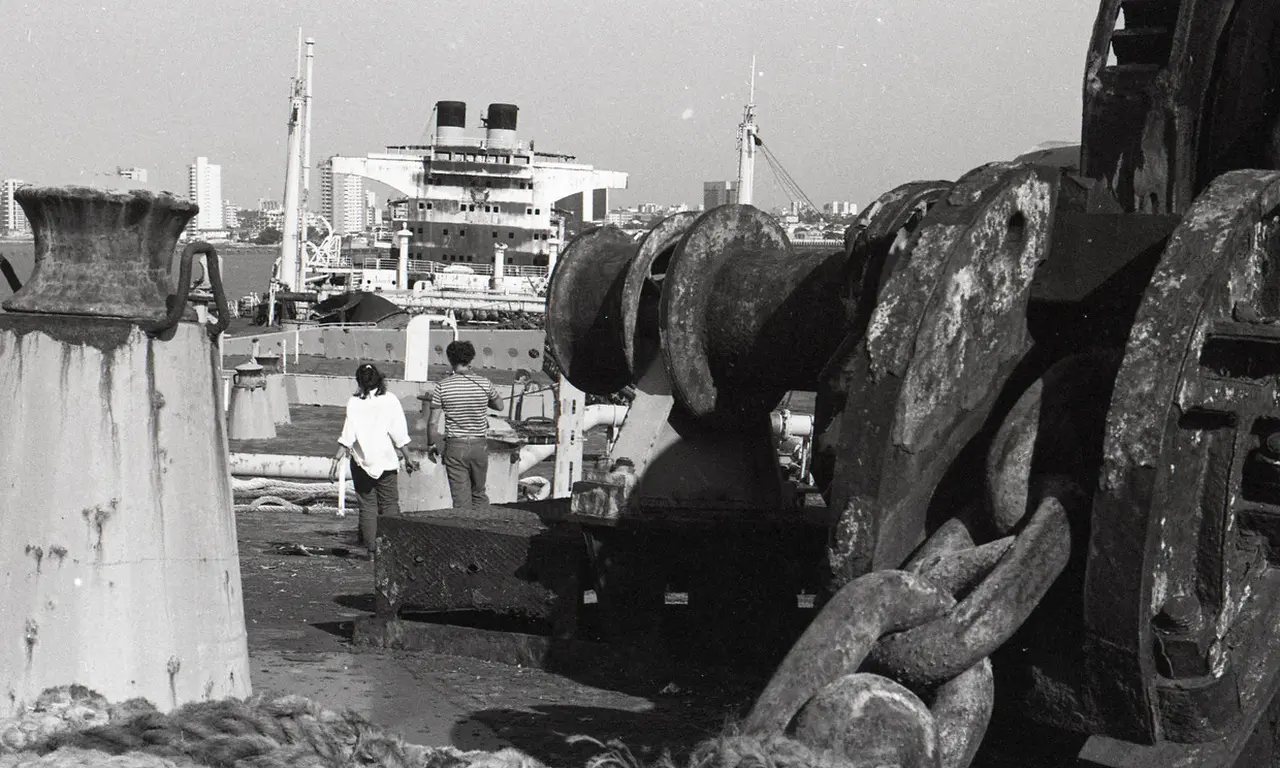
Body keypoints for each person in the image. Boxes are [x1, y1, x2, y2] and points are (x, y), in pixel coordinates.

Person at [329, 363, 418, 547]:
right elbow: (399, 434)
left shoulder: (354, 402)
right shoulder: (390, 400)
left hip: (361, 463)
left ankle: (370, 551)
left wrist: (336, 460)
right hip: (386, 461)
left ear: (359, 381)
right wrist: (408, 458)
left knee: (367, 507)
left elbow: (348, 435)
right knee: (389, 506)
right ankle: (392, 548)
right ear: (380, 378)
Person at [428, 340, 503, 510]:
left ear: (450, 359)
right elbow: (500, 406)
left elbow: (432, 421)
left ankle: (464, 533)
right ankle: (484, 529)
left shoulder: (442, 386)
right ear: (471, 359)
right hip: (479, 445)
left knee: (461, 500)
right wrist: (483, 401)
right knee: (479, 493)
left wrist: (431, 443)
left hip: (455, 446)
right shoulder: (484, 383)